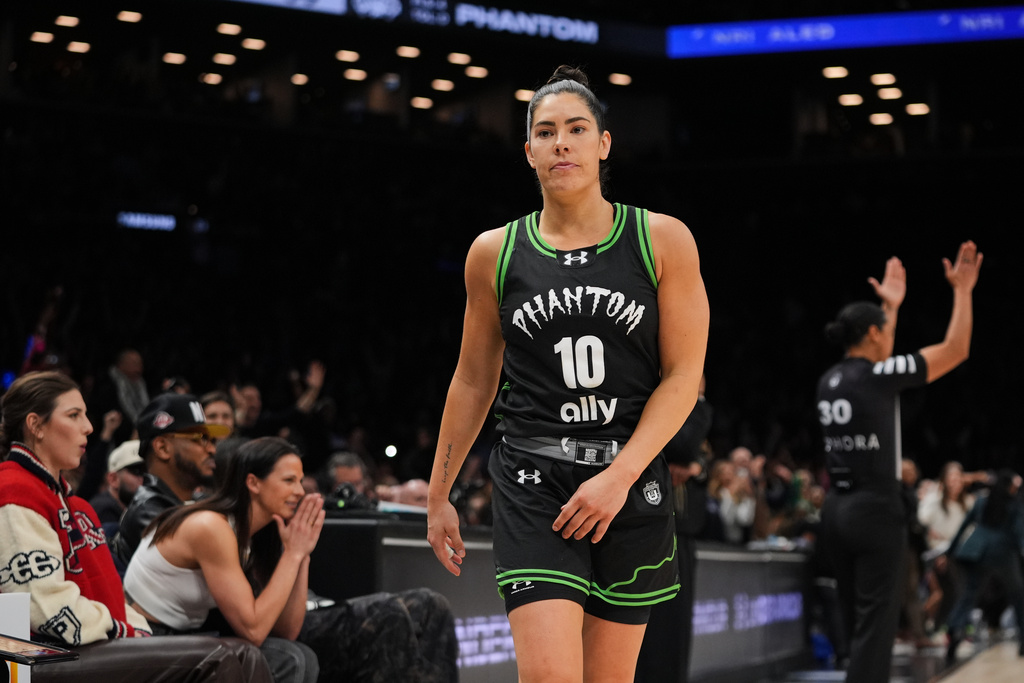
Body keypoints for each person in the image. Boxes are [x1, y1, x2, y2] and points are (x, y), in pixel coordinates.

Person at [426, 65, 709, 682]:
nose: (562, 143)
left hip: (628, 481)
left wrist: (619, 475)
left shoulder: (662, 239)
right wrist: (438, 491)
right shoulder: (493, 252)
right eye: (546, 131)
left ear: (603, 144)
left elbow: (685, 377)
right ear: (528, 151)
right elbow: (473, 379)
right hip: (534, 479)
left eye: (577, 128)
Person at [0, 370, 273, 683]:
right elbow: (43, 606)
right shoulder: (13, 492)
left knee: (242, 653)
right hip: (32, 658)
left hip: (87, 645)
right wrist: (123, 629)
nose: (88, 427)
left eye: (85, 416)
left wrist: (137, 630)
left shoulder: (78, 507)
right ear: (36, 425)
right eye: (74, 415)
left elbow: (113, 597)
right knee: (221, 657)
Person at [124, 436, 459, 683]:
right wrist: (294, 553)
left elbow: (288, 627)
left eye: (300, 480)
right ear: (253, 483)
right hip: (150, 638)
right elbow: (254, 630)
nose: (300, 490)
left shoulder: (255, 531)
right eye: (288, 481)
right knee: (292, 657)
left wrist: (301, 555)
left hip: (186, 633)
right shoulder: (211, 527)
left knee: (296, 651)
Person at [816, 242, 982, 683]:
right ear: (873, 334)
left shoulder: (829, 381)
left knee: (857, 628)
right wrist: (963, 292)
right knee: (877, 628)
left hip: (835, 510)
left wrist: (890, 305)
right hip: (874, 508)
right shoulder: (877, 378)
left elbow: (883, 362)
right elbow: (956, 348)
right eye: (885, 325)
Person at [110, 392, 230, 567]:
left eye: (211, 440)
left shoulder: (195, 501)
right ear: (163, 448)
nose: (212, 449)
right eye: (201, 438)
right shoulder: (149, 514)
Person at [944, 469, 1024, 663]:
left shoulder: (981, 501)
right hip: (1003, 553)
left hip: (976, 552)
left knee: (969, 595)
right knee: (1018, 596)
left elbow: (964, 525)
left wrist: (951, 550)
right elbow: (1019, 532)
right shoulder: (1014, 505)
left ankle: (954, 630)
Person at [88, 439, 146, 526]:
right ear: (113, 479)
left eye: (148, 472)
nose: (144, 479)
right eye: (137, 472)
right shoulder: (104, 511)